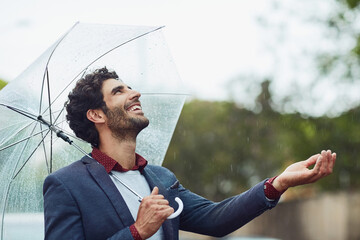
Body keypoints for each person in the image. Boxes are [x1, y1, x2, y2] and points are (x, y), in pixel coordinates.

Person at [43, 67, 336, 240]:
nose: (135, 93)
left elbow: (216, 219)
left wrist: (279, 183)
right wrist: (137, 231)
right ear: (96, 114)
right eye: (119, 92)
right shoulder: (66, 186)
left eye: (130, 87)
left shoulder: (160, 177)